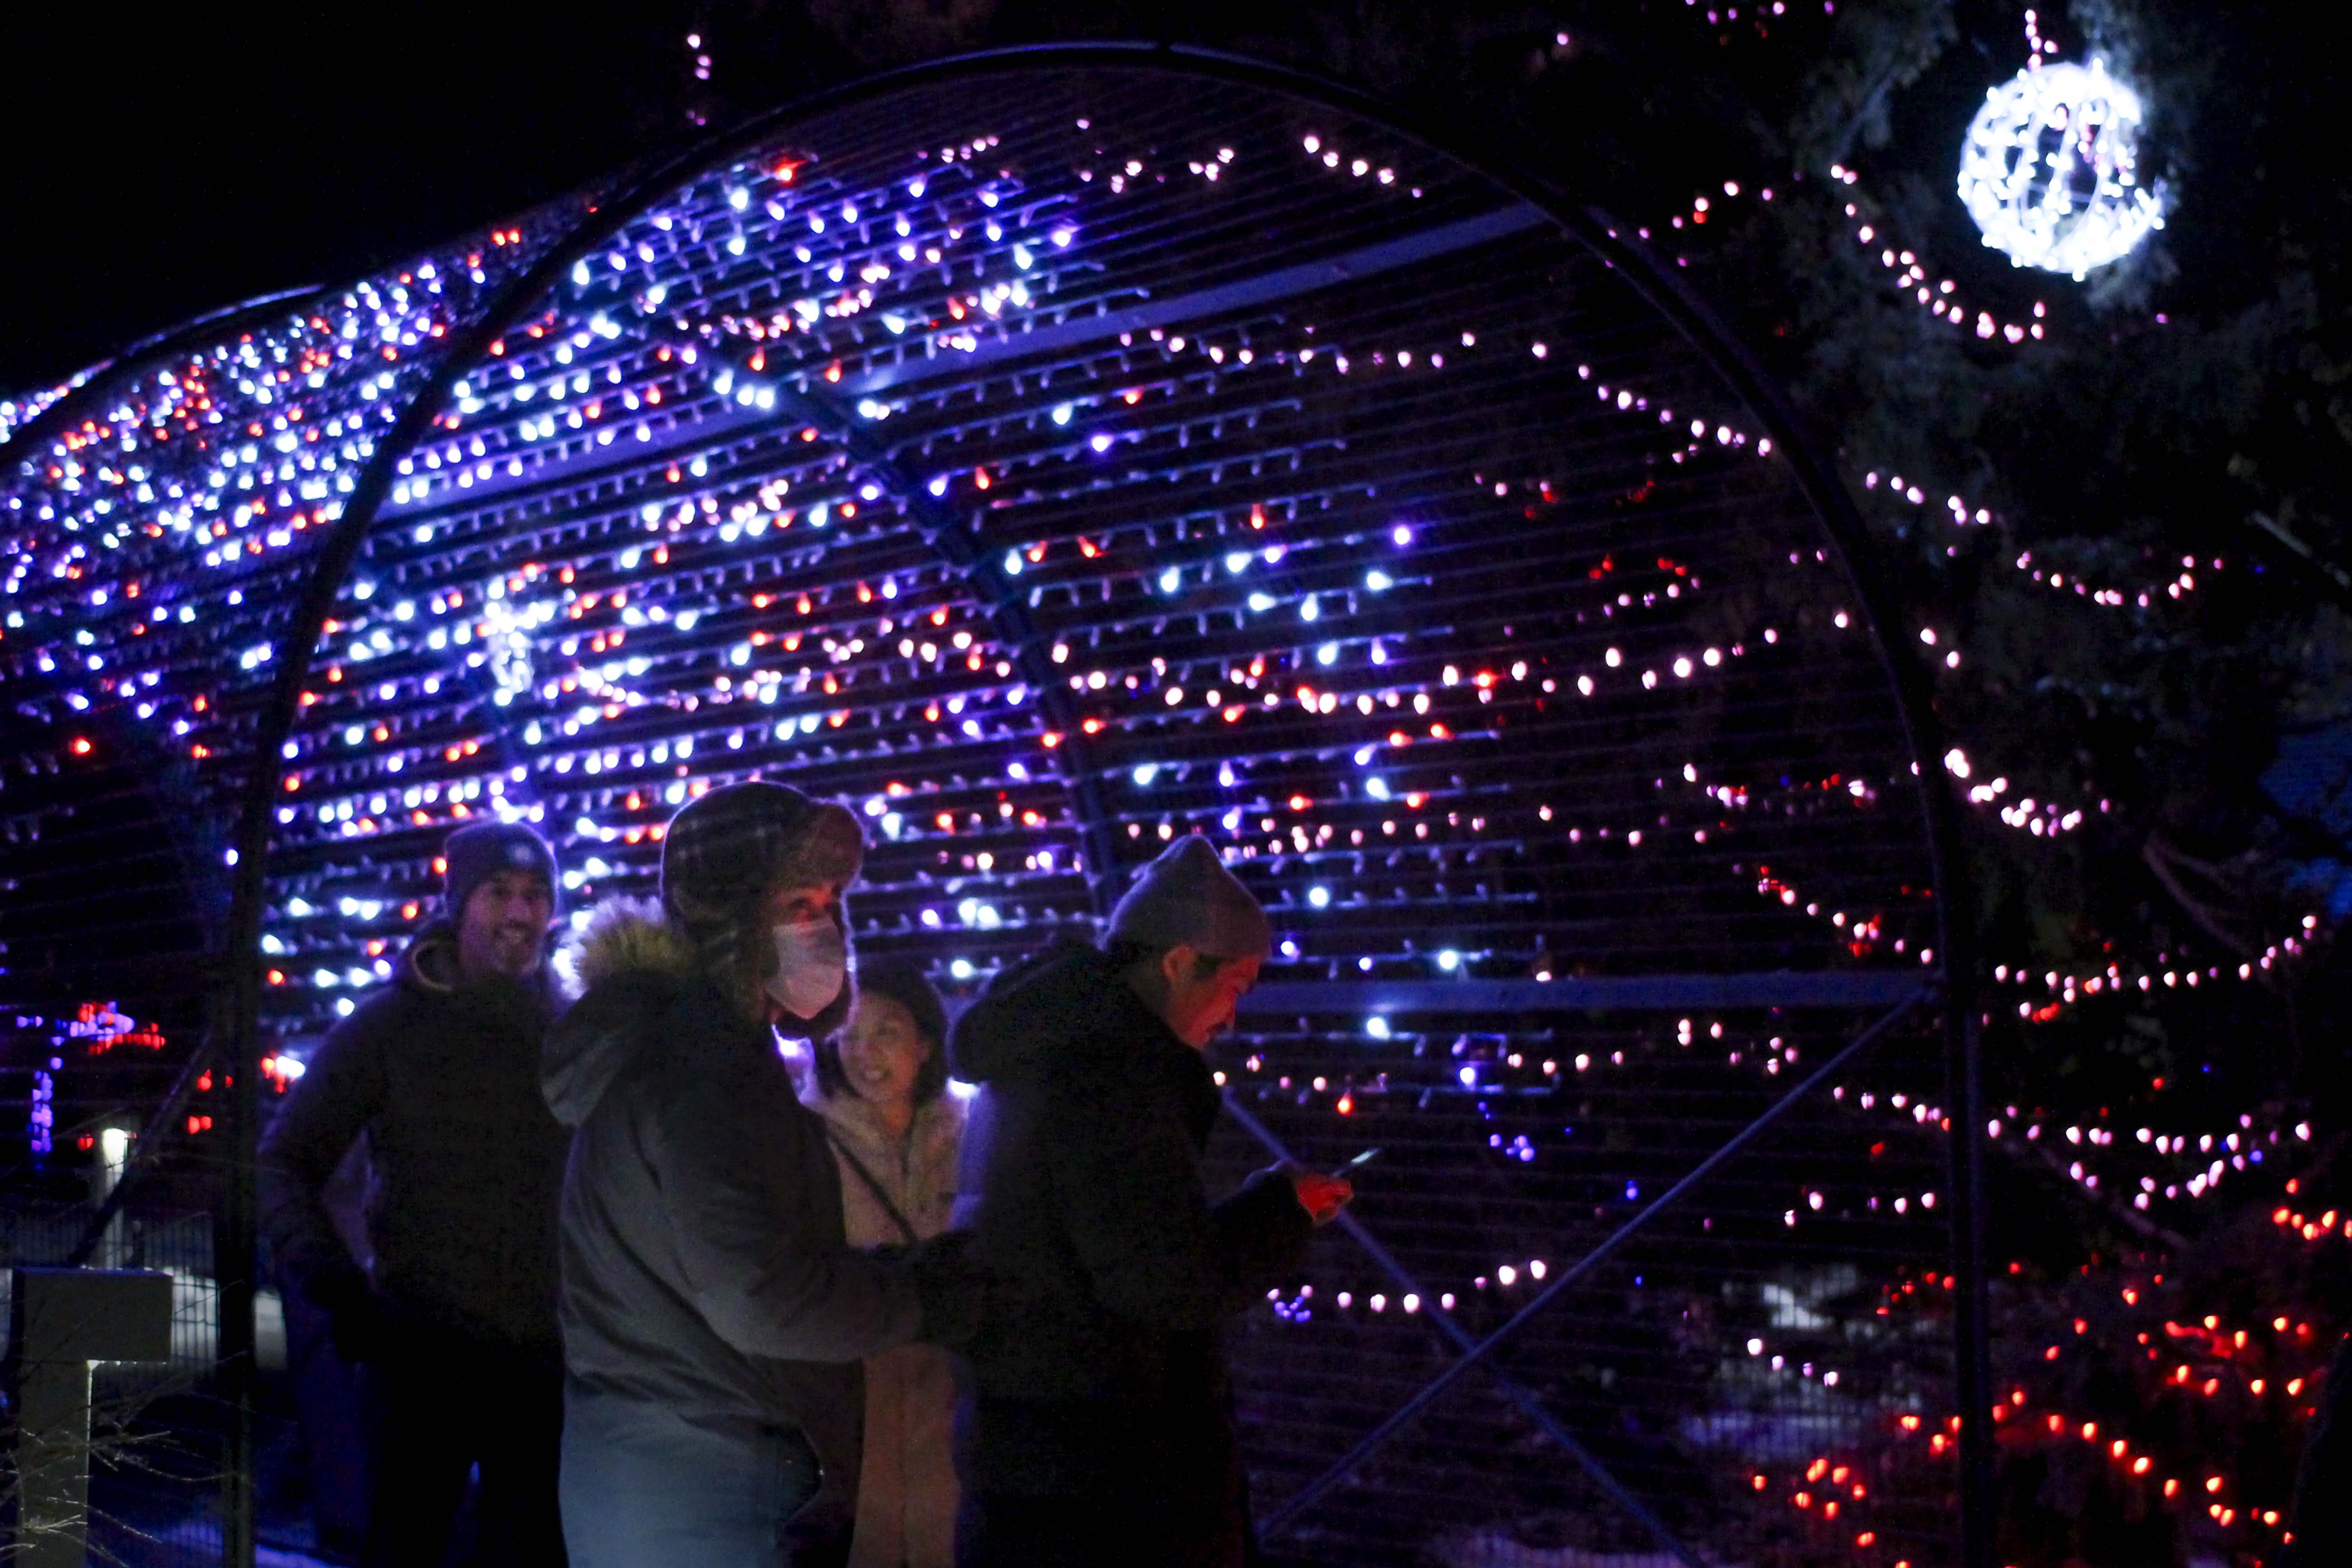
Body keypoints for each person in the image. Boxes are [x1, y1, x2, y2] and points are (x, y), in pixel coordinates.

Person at [544, 781, 982, 1568]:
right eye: (798, 905)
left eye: (828, 905)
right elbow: (761, 1297)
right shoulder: (702, 1067)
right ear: (734, 919)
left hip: (665, 1470)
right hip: (707, 1485)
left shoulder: (688, 1048)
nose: (823, 931)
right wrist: (928, 1297)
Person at [948, 834, 1352, 1568]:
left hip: (1031, 1458)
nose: (1230, 1018)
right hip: (1115, 1486)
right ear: (1176, 963)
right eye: (1234, 986)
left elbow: (1125, 1248)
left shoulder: (1040, 1052)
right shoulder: (1114, 1081)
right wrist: (1282, 1214)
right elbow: (1166, 1283)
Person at [258, 820, 572, 1567]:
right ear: (458, 904)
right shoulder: (392, 1028)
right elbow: (282, 1163)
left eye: (537, 895)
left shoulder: (569, 1032)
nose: (521, 914)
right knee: (403, 1547)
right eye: (500, 893)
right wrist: (340, 1289)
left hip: (547, 1369)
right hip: (422, 1361)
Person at [799, 960, 965, 1568]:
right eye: (847, 1035)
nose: (864, 1054)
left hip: (949, 1406)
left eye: (886, 1033)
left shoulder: (970, 1138)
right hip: (851, 1415)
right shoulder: (807, 1143)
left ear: (924, 1043)